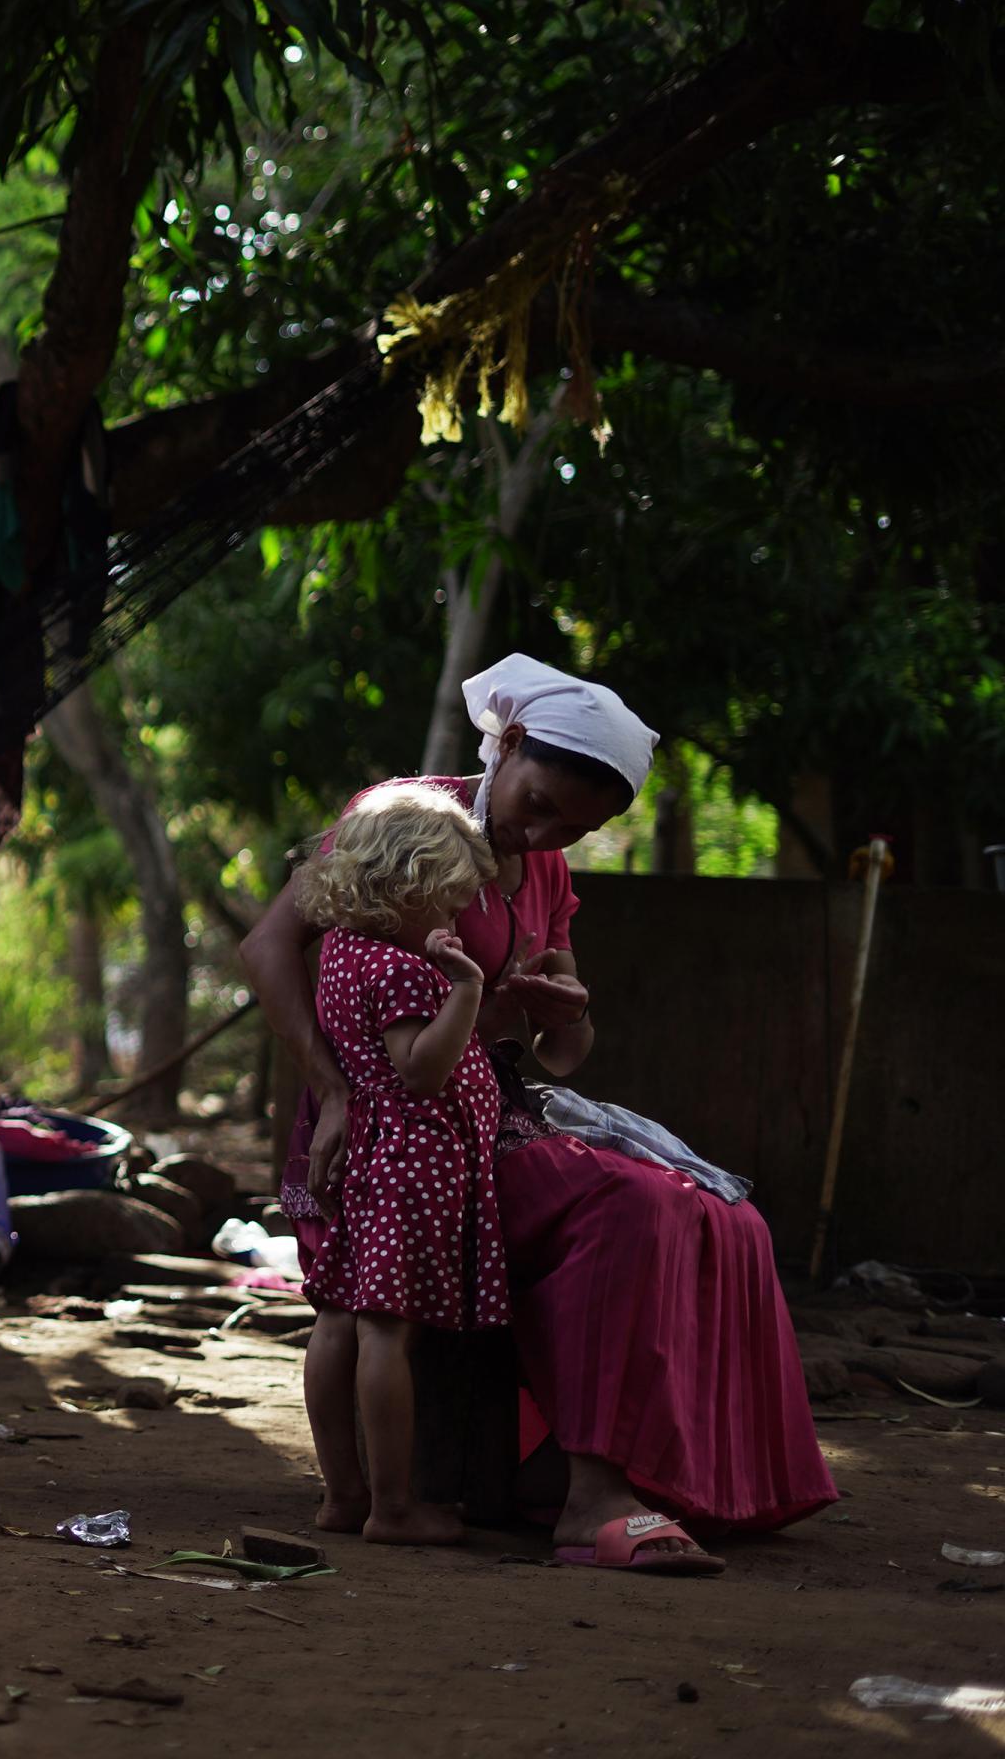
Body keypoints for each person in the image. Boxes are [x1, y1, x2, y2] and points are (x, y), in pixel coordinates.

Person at [240, 654, 835, 1575]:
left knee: (725, 1215)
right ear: (508, 742)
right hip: (406, 1132)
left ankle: (699, 1485)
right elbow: (270, 945)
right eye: (542, 803)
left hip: (491, 1115)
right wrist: (333, 1093)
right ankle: (589, 1498)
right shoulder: (404, 818)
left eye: (576, 828)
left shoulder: (547, 870)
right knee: (637, 1207)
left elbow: (559, 1057)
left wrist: (570, 1011)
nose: (548, 833)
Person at [289, 784, 515, 1546]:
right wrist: (467, 988)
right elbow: (420, 1069)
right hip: (414, 1165)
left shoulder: (343, 951)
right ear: (407, 888)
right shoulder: (405, 970)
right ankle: (393, 1508)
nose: (455, 920)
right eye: (449, 903)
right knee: (389, 1330)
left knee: (341, 1318)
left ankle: (342, 1495)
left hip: (371, 1159)